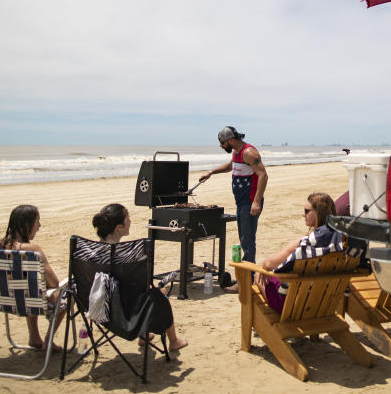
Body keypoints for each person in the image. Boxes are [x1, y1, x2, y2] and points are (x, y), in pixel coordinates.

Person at [91, 203, 188, 351]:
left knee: (136, 292)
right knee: (158, 293)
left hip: (96, 305)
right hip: (122, 311)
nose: (130, 221)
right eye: (128, 218)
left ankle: (144, 335)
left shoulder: (90, 253)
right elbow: (139, 286)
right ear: (119, 228)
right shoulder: (126, 257)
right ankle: (173, 341)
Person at [255, 192, 361, 313]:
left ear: (318, 213)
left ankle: (258, 324)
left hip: (294, 305)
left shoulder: (307, 243)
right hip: (325, 303)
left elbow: (269, 264)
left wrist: (263, 267)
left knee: (259, 275)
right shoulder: (341, 243)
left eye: (306, 211)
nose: (302, 214)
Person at [197, 126, 268, 292]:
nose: (221, 146)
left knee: (247, 242)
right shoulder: (237, 152)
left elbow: (263, 175)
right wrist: (211, 172)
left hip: (249, 202)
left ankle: (247, 282)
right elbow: (231, 166)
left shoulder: (249, 152)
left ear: (230, 140)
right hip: (241, 202)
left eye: (222, 143)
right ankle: (247, 280)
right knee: (245, 240)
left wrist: (256, 202)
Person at [0, 204, 64, 351]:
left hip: (1, 301)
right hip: (29, 303)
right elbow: (54, 281)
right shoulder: (32, 250)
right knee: (66, 294)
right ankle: (48, 340)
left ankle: (34, 336)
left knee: (29, 287)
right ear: (27, 225)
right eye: (37, 221)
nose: (39, 225)